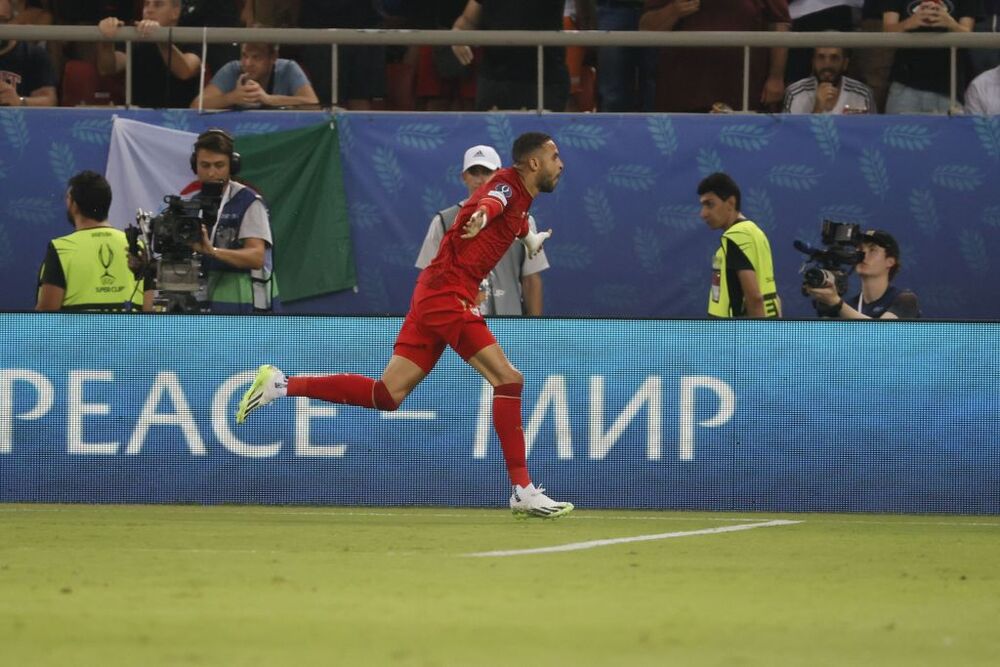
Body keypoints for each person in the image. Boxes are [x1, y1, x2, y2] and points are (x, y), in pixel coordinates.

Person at [235, 132, 573, 519]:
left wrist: (529, 238)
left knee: (387, 395)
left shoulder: (522, 199)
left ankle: (281, 384)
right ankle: (522, 489)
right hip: (448, 296)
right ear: (534, 163)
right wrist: (483, 215)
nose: (560, 163)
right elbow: (493, 203)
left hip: (433, 295)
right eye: (555, 156)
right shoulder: (504, 189)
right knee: (509, 380)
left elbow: (513, 217)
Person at [415, 144, 548, 316]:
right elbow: (429, 279)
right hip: (457, 322)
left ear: (499, 174)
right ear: (464, 176)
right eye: (474, 172)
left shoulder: (524, 221)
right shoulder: (442, 222)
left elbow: (531, 279)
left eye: (486, 172)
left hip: (511, 324)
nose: (480, 179)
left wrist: (534, 330)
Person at [639, 0, 791, 113]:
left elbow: (779, 24)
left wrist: (776, 77)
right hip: (682, 95)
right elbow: (646, 28)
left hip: (746, 94)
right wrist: (673, 11)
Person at [186, 129, 278, 313]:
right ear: (195, 166)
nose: (212, 173)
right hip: (203, 305)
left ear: (232, 166)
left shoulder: (248, 201)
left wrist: (212, 252)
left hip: (245, 306)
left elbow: (256, 257)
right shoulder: (192, 204)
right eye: (205, 165)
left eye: (219, 165)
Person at [36, 171, 151, 312]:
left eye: (67, 198)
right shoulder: (137, 247)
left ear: (74, 204)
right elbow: (149, 311)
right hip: (130, 333)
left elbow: (45, 317)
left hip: (76, 334)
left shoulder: (60, 249)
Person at [451, 0, 570, 111]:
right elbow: (468, 20)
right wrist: (458, 33)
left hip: (544, 80)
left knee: (541, 132)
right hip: (494, 79)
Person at [698, 172, 781, 318]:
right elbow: (771, 293)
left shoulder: (736, 237)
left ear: (730, 203)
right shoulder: (756, 233)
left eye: (709, 204)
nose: (703, 214)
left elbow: (755, 298)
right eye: (703, 205)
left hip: (734, 335)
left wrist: (759, 335)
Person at [96, 0, 202, 108]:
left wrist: (160, 38)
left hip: (180, 119)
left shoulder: (190, 37)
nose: (149, 10)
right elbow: (107, 68)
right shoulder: (135, 37)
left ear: (175, 12)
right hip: (137, 117)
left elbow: (185, 71)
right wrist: (107, 40)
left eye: (158, 4)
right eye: (146, 4)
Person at [883, 0, 976, 114]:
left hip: (949, 86)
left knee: (950, 131)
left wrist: (951, 24)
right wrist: (908, 23)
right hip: (905, 83)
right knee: (898, 131)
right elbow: (886, 32)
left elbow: (969, 36)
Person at [805, 229, 921, 319]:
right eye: (860, 249)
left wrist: (838, 304)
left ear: (890, 261)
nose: (863, 254)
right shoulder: (849, 306)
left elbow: (884, 333)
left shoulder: (906, 300)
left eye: (872, 250)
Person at [191, 39, 319, 110]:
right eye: (244, 55)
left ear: (273, 58)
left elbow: (314, 106)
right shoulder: (232, 69)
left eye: (256, 57)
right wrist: (231, 98)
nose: (247, 63)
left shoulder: (289, 68)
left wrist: (269, 99)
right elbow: (196, 106)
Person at [783, 46, 877, 114]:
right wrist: (818, 108)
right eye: (821, 57)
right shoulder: (795, 93)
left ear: (845, 63)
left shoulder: (863, 94)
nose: (827, 65)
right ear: (813, 62)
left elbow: (871, 137)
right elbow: (793, 139)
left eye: (834, 58)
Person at [0, 0, 57, 107]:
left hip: (20, 121)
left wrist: (20, 101)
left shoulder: (34, 55)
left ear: (14, 21)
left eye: (2, 21)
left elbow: (49, 100)